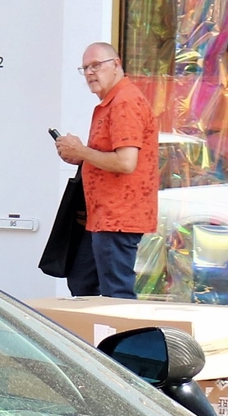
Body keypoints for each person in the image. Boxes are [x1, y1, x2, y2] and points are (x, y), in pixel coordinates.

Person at [53, 44, 154, 298]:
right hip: (99, 215)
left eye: (96, 65)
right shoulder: (112, 102)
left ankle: (124, 337)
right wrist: (79, 156)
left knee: (116, 292)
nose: (90, 72)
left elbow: (126, 162)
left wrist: (82, 151)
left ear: (116, 64)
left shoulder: (124, 102)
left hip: (118, 215)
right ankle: (92, 336)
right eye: (85, 68)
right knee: (82, 281)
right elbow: (111, 157)